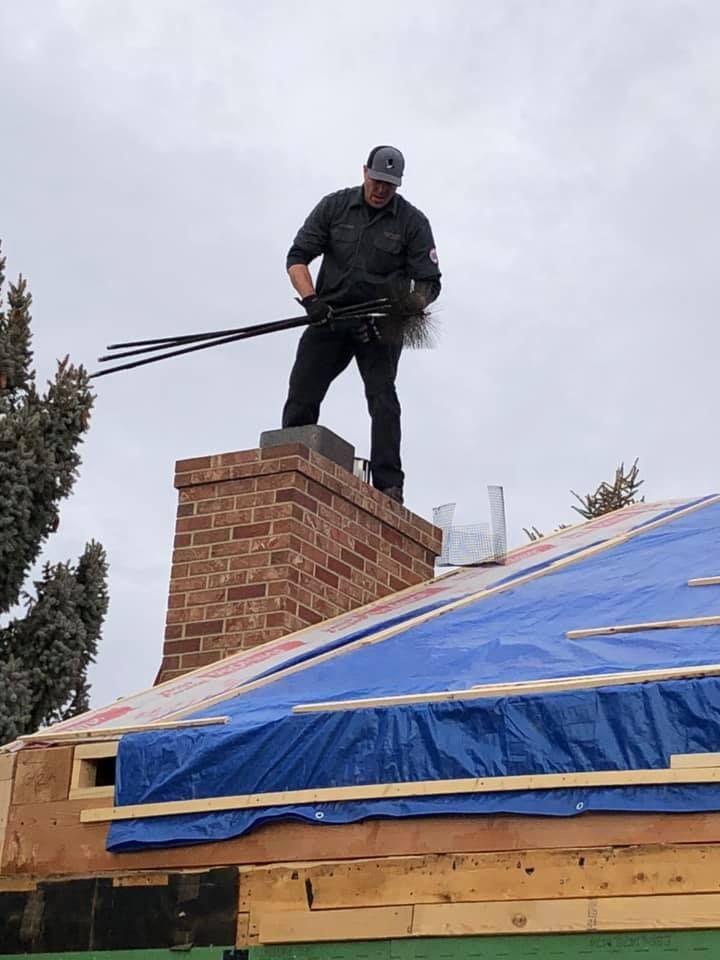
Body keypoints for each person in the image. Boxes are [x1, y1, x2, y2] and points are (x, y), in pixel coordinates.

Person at [281, 145, 441, 505]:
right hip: (331, 316)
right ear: (364, 172)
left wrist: (395, 314)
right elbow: (297, 258)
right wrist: (311, 302)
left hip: (379, 324)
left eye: (390, 184)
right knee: (302, 391)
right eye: (377, 180)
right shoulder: (334, 206)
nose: (382, 190)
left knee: (383, 397)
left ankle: (389, 486)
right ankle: (287, 463)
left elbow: (429, 284)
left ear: (398, 185)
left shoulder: (413, 223)